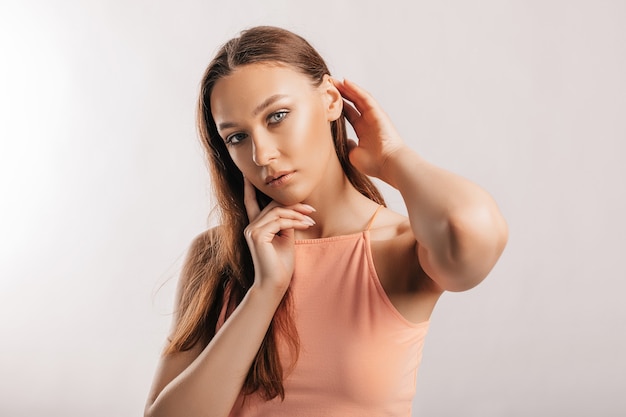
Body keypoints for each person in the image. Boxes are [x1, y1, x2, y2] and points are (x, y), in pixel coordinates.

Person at [144, 26, 508, 417]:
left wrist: (392, 157)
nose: (262, 154)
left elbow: (470, 229)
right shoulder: (217, 255)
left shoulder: (401, 248)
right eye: (236, 138)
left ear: (331, 100)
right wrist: (265, 291)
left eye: (277, 116)